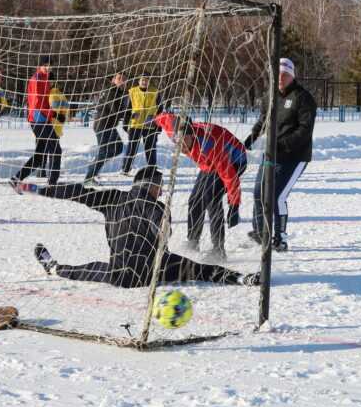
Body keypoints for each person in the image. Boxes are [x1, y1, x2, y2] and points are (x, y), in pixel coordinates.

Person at [15, 166, 256, 288]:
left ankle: (54, 268)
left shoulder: (112, 198)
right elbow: (161, 232)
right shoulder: (157, 206)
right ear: (153, 186)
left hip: (118, 275)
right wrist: (163, 226)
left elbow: (76, 193)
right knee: (199, 269)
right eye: (159, 187)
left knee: (88, 269)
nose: (161, 191)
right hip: (151, 273)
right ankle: (242, 279)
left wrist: (39, 189)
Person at [244, 58, 316, 252]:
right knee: (259, 192)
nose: (280, 79)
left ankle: (280, 238)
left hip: (295, 156)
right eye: (277, 75)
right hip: (272, 153)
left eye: (285, 75)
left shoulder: (303, 98)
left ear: (292, 76)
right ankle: (260, 233)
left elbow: (304, 130)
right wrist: (251, 138)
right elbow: (263, 120)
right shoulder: (269, 96)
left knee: (277, 196)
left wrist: (281, 144)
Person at [155, 112, 247, 259]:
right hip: (208, 163)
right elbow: (165, 118)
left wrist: (234, 205)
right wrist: (152, 120)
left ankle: (218, 250)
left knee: (211, 198)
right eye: (178, 143)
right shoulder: (175, 133)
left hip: (235, 159)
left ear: (191, 136)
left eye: (184, 142)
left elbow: (230, 177)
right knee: (195, 199)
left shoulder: (208, 145)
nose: (181, 146)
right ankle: (193, 241)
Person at [11, 57, 62, 187]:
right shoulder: (37, 79)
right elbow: (38, 103)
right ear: (39, 66)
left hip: (42, 119)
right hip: (39, 119)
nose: (48, 67)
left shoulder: (45, 79)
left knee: (40, 156)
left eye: (50, 65)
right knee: (56, 150)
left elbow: (46, 101)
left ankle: (16, 178)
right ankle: (53, 183)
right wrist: (54, 114)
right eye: (45, 65)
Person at [84, 72, 129, 185]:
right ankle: (88, 178)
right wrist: (131, 113)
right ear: (113, 80)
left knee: (118, 148)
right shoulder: (112, 91)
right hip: (103, 125)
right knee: (103, 151)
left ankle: (94, 166)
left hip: (110, 126)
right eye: (119, 78)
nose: (122, 81)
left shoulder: (118, 92)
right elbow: (116, 109)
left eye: (124, 79)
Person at [122, 75, 163, 175]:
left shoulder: (155, 92)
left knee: (150, 148)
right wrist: (125, 123)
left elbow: (160, 109)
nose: (144, 82)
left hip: (150, 124)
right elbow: (127, 109)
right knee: (132, 147)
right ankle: (125, 169)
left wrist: (159, 125)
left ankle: (152, 169)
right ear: (138, 81)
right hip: (135, 124)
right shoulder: (132, 91)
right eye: (142, 80)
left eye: (146, 80)